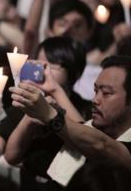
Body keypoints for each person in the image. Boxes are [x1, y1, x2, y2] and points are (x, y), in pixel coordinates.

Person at [8, 55, 131, 188]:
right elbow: (78, 128)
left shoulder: (103, 141)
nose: (95, 100)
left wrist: (49, 114)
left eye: (106, 93)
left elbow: (102, 145)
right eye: (95, 91)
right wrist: (53, 91)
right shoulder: (91, 129)